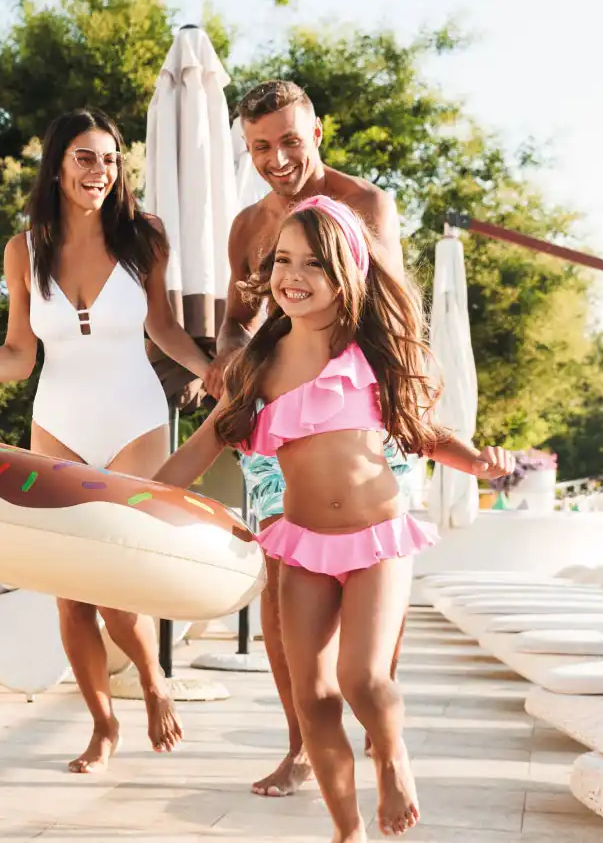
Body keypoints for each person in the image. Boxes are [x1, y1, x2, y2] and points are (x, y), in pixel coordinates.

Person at [157, 195, 515, 841]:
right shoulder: (257, 367)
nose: (292, 276)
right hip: (302, 549)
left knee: (362, 678)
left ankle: (394, 754)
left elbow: (426, 433)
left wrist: (479, 464)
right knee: (312, 696)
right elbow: (202, 447)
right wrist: (132, 497)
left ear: (349, 270)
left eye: (313, 264)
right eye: (283, 261)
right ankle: (347, 829)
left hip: (378, 540)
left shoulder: (369, 355)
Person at [0, 107, 214, 774]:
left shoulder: (145, 238)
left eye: (108, 159)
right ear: (57, 163)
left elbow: (164, 330)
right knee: (71, 591)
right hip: (59, 425)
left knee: (114, 577)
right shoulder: (25, 249)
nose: (98, 172)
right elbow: (17, 356)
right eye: (83, 157)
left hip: (136, 419)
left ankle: (154, 681)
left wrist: (217, 373)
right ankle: (103, 725)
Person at [205, 79, 419, 797]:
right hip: (279, 427)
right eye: (260, 146)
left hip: (359, 418)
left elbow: (392, 307)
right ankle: (302, 743)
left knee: (370, 576)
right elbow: (235, 322)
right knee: (282, 595)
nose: (277, 158)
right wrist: (230, 358)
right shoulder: (247, 228)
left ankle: (378, 726)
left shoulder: (364, 206)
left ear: (317, 132)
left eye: (290, 141)